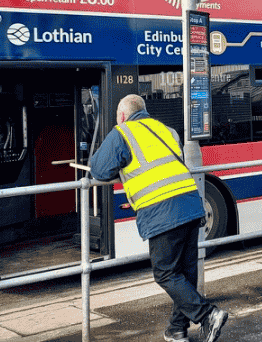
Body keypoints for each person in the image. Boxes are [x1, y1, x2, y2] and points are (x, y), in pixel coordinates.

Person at [90, 94, 228, 342]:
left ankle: (208, 314)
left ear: (122, 116)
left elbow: (99, 170)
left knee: (165, 273)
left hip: (162, 211)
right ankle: (177, 330)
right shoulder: (168, 131)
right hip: (191, 204)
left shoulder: (123, 133)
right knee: (185, 273)